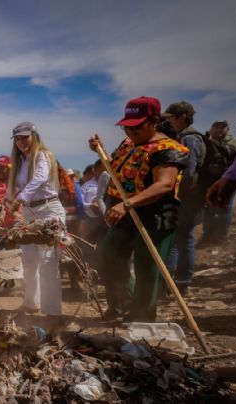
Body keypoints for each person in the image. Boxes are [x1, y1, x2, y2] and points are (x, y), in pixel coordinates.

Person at [90, 96, 188, 322]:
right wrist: (100, 150)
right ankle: (121, 304)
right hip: (125, 210)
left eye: (137, 126)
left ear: (154, 121)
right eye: (127, 126)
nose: (130, 132)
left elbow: (163, 184)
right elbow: (117, 169)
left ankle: (142, 317)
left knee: (147, 267)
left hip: (156, 214)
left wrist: (128, 204)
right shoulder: (127, 144)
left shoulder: (169, 149)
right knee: (109, 257)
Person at [7, 122, 65, 317]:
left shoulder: (42, 155)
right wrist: (14, 204)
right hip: (30, 213)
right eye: (17, 139)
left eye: (25, 137)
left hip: (49, 210)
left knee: (48, 262)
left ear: (34, 135)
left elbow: (39, 178)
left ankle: (52, 312)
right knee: (29, 261)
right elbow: (17, 188)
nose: (21, 142)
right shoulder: (21, 162)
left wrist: (20, 199)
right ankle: (31, 303)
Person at [162, 101, 205, 294]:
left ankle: (180, 281)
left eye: (171, 118)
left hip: (186, 198)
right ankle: (174, 280)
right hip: (186, 198)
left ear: (183, 117)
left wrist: (173, 191)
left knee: (181, 238)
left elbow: (188, 173)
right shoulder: (186, 137)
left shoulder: (190, 140)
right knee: (178, 238)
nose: (169, 122)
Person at [200, 120, 236, 244]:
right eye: (216, 127)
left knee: (225, 209)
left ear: (227, 129)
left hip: (228, 182)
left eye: (222, 127)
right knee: (209, 209)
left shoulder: (235, 144)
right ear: (211, 129)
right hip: (209, 182)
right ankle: (207, 235)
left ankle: (221, 236)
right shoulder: (205, 143)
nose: (218, 130)